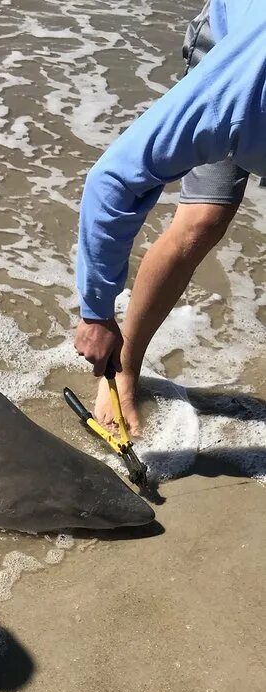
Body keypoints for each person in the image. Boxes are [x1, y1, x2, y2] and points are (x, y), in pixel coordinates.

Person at [73, 0, 266, 435]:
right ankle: (124, 373)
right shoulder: (232, 99)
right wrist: (96, 314)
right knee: (203, 221)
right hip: (238, 47)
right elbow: (113, 180)